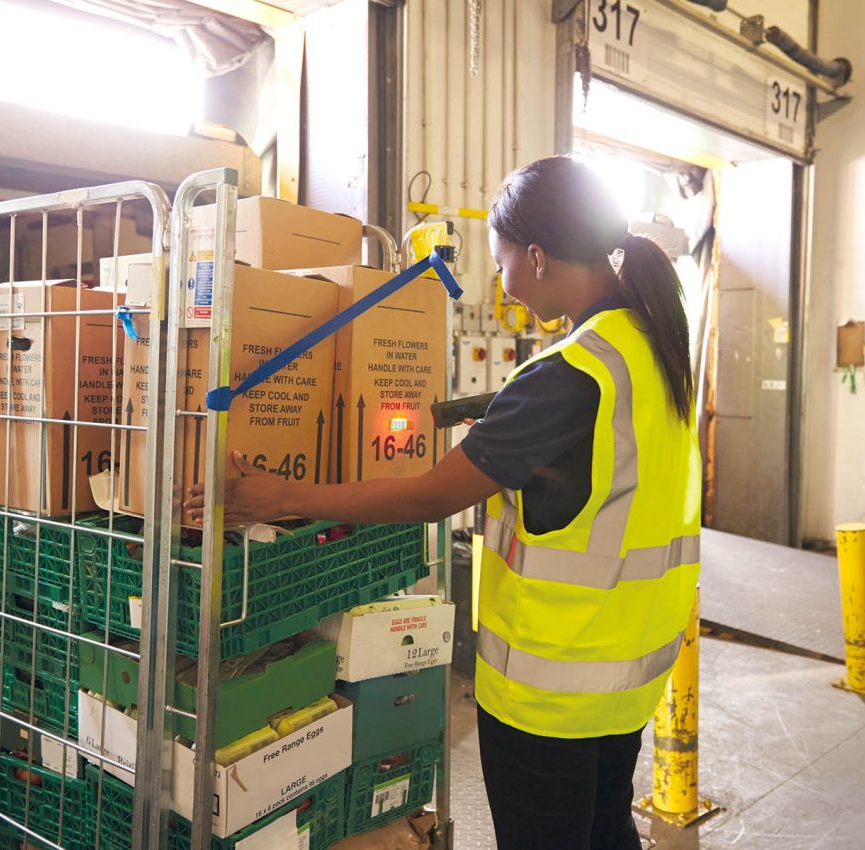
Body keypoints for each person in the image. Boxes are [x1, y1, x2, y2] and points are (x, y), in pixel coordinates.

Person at [185, 155, 701, 850]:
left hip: (550, 692)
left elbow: (429, 498)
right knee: (607, 827)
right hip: (629, 676)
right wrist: (507, 425)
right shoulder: (647, 343)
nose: (501, 279)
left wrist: (278, 494)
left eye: (503, 260)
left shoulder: (566, 374)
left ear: (540, 257)